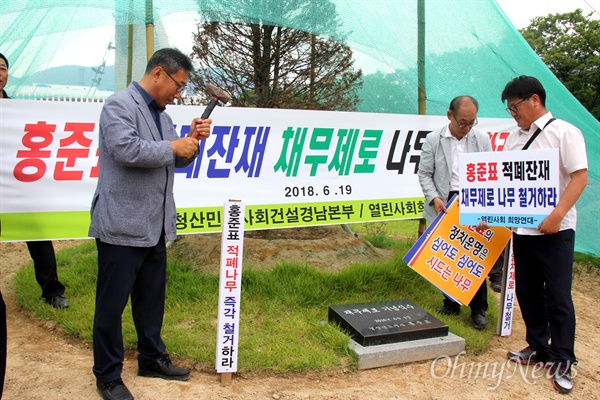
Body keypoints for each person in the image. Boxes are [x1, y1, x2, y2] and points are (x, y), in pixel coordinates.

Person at [88, 48, 212, 400]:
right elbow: (126, 150)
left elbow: (174, 162)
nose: (179, 93)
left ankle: (150, 357)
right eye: (178, 84)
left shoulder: (165, 118)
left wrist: (192, 144)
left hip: (154, 225)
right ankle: (108, 375)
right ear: (159, 73)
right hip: (121, 225)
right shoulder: (119, 105)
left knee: (150, 300)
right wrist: (174, 145)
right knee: (111, 306)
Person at [501, 76, 588, 395]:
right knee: (528, 289)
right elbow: (505, 184)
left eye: (515, 106)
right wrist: (487, 213)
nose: (513, 113)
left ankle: (563, 358)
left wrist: (556, 215)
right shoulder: (513, 138)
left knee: (558, 295)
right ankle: (537, 346)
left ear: (534, 99)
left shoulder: (565, 132)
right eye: (509, 108)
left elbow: (580, 177)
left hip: (556, 230)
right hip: (522, 229)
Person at [0, 53, 69, 310]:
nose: (0, 72)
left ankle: (52, 291)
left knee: (38, 235)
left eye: (3, 68)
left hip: (18, 186)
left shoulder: (19, 111)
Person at [417, 95, 491, 330]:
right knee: (448, 256)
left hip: (473, 200)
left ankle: (478, 310)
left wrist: (485, 209)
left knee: (473, 257)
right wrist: (436, 198)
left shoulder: (482, 139)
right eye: (463, 122)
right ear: (450, 115)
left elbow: (490, 175)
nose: (467, 127)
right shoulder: (433, 140)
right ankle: (450, 304)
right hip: (446, 201)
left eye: (472, 122)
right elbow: (424, 174)